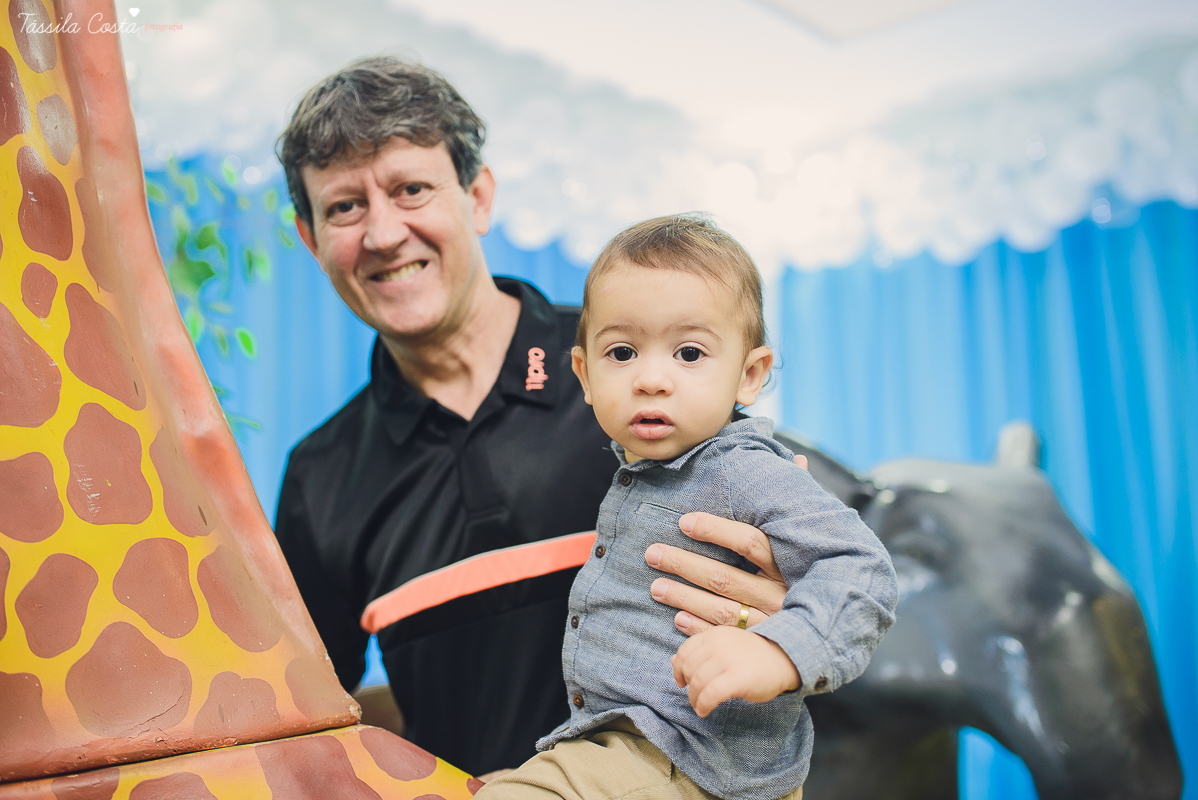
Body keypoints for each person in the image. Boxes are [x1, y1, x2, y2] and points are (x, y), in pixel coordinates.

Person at [274, 57, 800, 777]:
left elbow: (805, 574)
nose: (384, 233)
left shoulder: (642, 372)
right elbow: (305, 721)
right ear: (310, 240)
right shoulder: (319, 475)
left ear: (478, 198)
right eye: (344, 207)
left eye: (411, 189)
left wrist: (785, 605)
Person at [475, 215, 896, 800]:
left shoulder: (743, 470)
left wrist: (778, 650)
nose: (651, 379)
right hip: (633, 749)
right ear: (584, 374)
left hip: (689, 758)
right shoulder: (643, 473)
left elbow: (864, 571)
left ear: (750, 375)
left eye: (689, 353)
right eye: (622, 352)